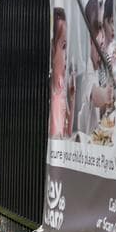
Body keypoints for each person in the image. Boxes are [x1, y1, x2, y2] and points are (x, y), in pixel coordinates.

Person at [48, 8, 72, 138]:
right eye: (63, 47)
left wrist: (72, 104)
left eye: (67, 46)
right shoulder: (50, 88)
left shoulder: (63, 85)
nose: (67, 54)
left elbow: (68, 132)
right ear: (52, 50)